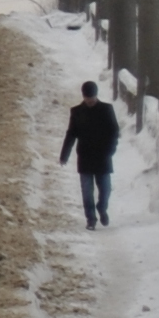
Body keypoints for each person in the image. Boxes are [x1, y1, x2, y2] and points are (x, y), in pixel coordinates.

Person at [59, 79, 120, 227]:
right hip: (85, 156)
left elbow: (114, 131)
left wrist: (111, 150)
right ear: (83, 96)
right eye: (87, 98)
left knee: (105, 189)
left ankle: (102, 207)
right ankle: (91, 219)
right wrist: (64, 155)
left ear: (96, 95)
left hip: (103, 156)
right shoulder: (77, 112)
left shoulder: (106, 109)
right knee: (87, 192)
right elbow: (71, 134)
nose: (90, 101)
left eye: (92, 98)